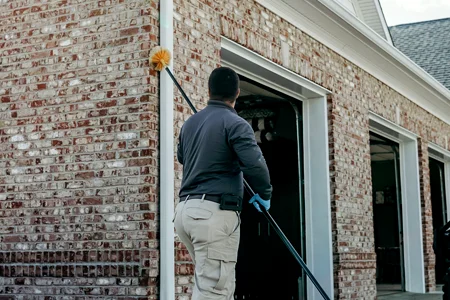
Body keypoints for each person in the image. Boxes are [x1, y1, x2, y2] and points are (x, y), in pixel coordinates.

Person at [173, 66, 272, 300]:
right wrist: (264, 194)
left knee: (209, 283)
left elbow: (182, 157)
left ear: (209, 90)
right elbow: (255, 164)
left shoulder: (189, 124)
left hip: (185, 213)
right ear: (237, 93)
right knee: (215, 290)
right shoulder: (236, 124)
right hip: (213, 214)